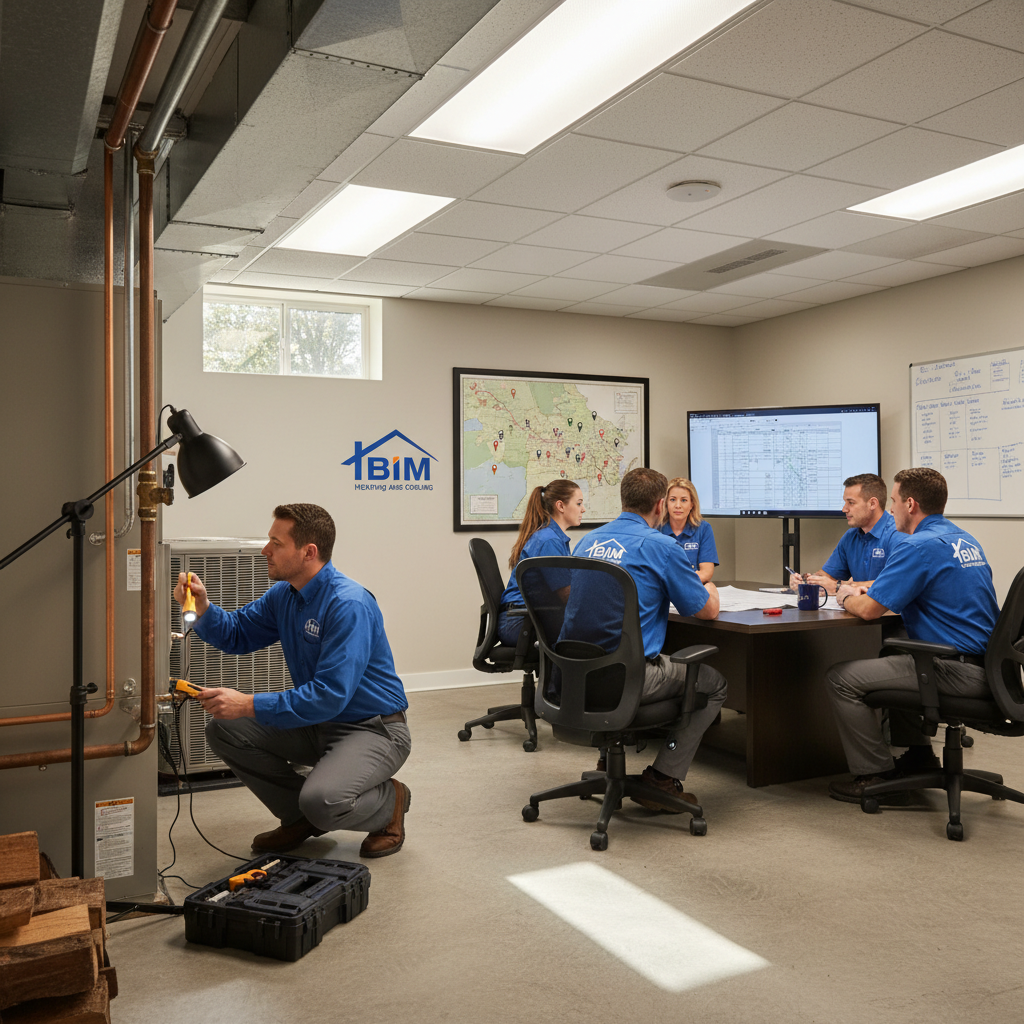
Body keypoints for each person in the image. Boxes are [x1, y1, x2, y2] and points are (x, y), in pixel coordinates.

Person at [173, 503, 412, 857]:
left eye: (276, 542)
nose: (265, 550)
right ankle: (299, 818)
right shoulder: (285, 595)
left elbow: (329, 695)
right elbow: (239, 633)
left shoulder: (349, 604)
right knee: (224, 728)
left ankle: (389, 801)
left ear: (308, 552)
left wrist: (248, 704)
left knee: (323, 801)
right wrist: (204, 608)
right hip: (319, 723)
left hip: (372, 728)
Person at [824, 468, 999, 803]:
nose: (891, 511)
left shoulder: (917, 546)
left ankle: (875, 774)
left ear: (911, 504)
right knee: (895, 658)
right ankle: (920, 756)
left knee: (840, 678)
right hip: (990, 669)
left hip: (954, 670)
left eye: (894, 502)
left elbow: (870, 609)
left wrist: (844, 595)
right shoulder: (965, 540)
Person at [568, 467, 727, 811]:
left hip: (574, 676)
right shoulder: (662, 546)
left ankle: (605, 762)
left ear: (623, 500)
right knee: (714, 683)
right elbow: (706, 611)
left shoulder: (587, 541)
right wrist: (710, 588)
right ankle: (663, 777)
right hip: (628, 678)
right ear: (660, 505)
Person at [497, 479, 585, 646]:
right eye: (579, 503)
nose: (583, 509)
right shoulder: (549, 541)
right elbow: (567, 595)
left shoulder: (551, 537)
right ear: (561, 506)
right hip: (520, 622)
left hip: (523, 617)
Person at [790, 473, 902, 595]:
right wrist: (806, 581)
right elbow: (827, 576)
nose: (844, 509)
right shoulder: (851, 536)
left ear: (872, 504)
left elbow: (894, 584)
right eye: (845, 502)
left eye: (851, 503)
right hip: (859, 609)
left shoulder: (898, 534)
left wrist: (838, 586)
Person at [659, 477, 718, 583]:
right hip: (663, 588)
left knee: (710, 589)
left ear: (692, 504)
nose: (678, 506)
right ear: (666, 504)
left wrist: (680, 585)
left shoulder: (703, 529)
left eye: (684, 500)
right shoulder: (656, 529)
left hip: (691, 587)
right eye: (672, 500)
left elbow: (706, 572)